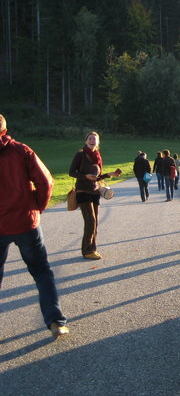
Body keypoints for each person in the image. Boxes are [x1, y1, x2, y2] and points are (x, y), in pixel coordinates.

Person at [0, 114, 69, 338]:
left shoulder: (22, 151)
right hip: (25, 222)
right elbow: (46, 181)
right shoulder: (22, 151)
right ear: (4, 129)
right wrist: (37, 207)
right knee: (41, 272)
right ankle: (56, 321)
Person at [69, 131, 121, 260]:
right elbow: (71, 172)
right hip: (82, 191)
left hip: (94, 192)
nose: (92, 140)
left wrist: (109, 174)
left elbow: (97, 178)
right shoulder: (80, 154)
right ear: (86, 141)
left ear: (98, 142)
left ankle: (92, 248)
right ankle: (87, 251)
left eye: (95, 139)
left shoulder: (97, 156)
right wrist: (85, 176)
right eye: (90, 138)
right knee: (90, 221)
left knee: (95, 222)